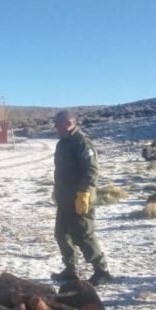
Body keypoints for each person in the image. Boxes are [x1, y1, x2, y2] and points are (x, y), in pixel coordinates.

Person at [50, 110, 112, 286]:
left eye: (58, 123)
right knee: (61, 234)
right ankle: (70, 270)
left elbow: (91, 171)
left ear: (69, 123)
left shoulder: (81, 143)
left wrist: (83, 193)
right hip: (65, 198)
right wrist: (57, 190)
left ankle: (102, 271)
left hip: (80, 198)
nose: (55, 127)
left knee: (84, 235)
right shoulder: (62, 144)